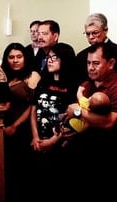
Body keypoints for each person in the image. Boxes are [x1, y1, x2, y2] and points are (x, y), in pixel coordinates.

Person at [62, 42, 117, 199]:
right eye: (88, 63)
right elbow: (84, 120)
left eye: (96, 63)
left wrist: (78, 112)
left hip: (104, 158)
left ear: (111, 63)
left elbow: (109, 122)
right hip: (81, 152)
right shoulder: (86, 85)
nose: (90, 68)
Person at [30, 43, 78, 201]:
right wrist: (35, 136)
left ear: (65, 59)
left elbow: (71, 117)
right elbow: (33, 109)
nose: (49, 61)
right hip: (39, 142)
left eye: (54, 58)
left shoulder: (72, 86)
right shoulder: (43, 82)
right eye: (48, 57)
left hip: (60, 144)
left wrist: (52, 141)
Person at [1, 42, 41, 202]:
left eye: (19, 56)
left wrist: (14, 126)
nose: (15, 60)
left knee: (24, 173)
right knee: (7, 173)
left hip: (24, 129)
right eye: (11, 57)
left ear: (25, 58)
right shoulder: (3, 76)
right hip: (4, 129)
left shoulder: (32, 75)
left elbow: (32, 107)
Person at [76, 13, 117, 83]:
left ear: (105, 30)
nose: (91, 37)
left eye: (95, 33)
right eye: (87, 34)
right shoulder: (81, 56)